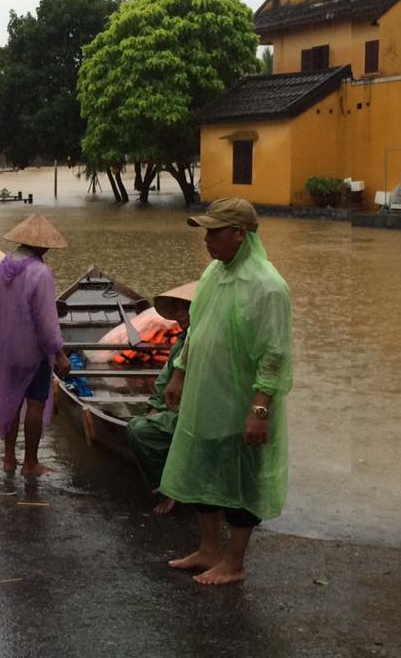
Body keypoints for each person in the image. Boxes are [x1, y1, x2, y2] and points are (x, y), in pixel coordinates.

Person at [160, 198, 292, 586]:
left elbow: (274, 353)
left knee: (242, 481)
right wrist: (180, 373)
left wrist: (260, 408)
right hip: (207, 395)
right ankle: (209, 549)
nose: (207, 239)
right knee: (203, 468)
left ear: (240, 233)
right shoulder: (214, 274)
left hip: (241, 401)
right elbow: (197, 330)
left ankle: (234, 562)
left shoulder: (269, 286)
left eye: (214, 231)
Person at [0, 214, 71, 477]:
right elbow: (46, 322)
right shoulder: (40, 272)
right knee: (35, 404)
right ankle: (30, 462)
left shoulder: (0, 268)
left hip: (6, 349)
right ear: (43, 246)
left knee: (11, 401)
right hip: (32, 352)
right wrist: (58, 352)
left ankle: (9, 458)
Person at [125, 281, 198, 515]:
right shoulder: (182, 342)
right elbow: (164, 383)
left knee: (139, 430)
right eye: (175, 309)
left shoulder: (206, 341)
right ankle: (167, 482)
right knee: (144, 426)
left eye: (184, 309)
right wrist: (156, 408)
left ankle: (169, 488)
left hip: (199, 415)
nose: (178, 315)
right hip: (179, 411)